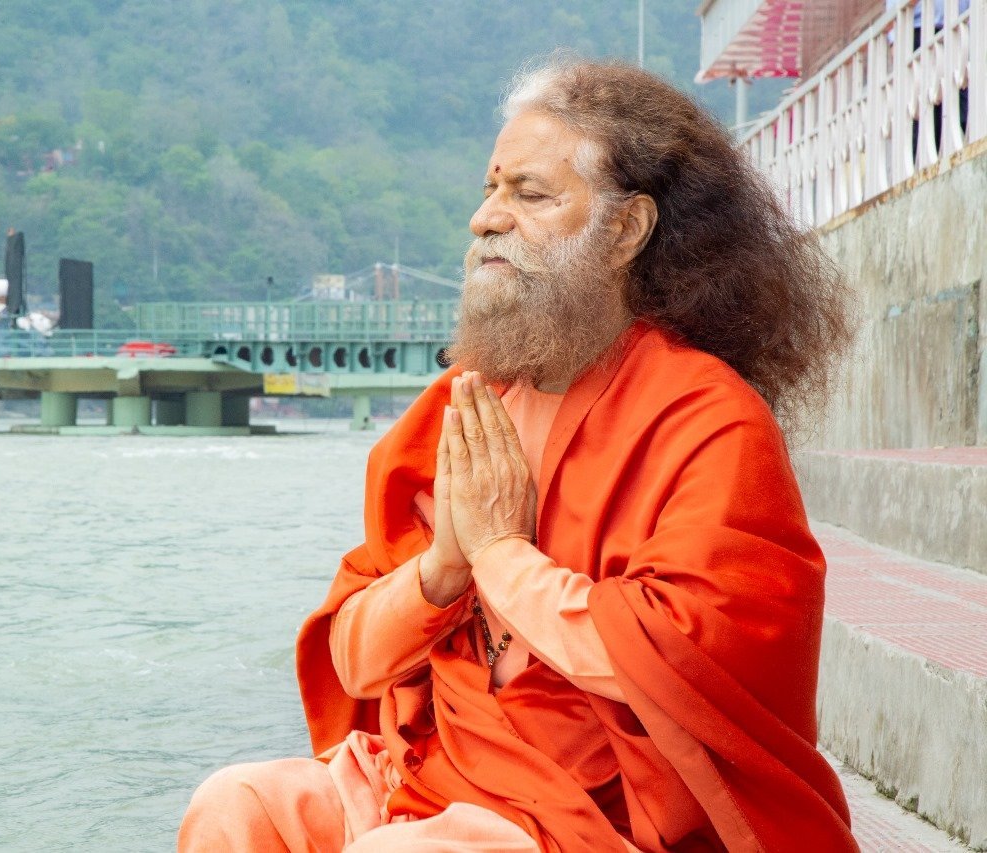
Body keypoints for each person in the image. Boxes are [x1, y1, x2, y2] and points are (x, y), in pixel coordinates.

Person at [179, 57, 857, 852]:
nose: (485, 218)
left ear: (626, 230)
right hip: (432, 779)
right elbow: (353, 662)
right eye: (490, 189)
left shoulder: (706, 418)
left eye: (530, 194)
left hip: (606, 819)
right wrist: (444, 569)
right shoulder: (462, 402)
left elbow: (683, 660)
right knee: (234, 805)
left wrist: (501, 554)